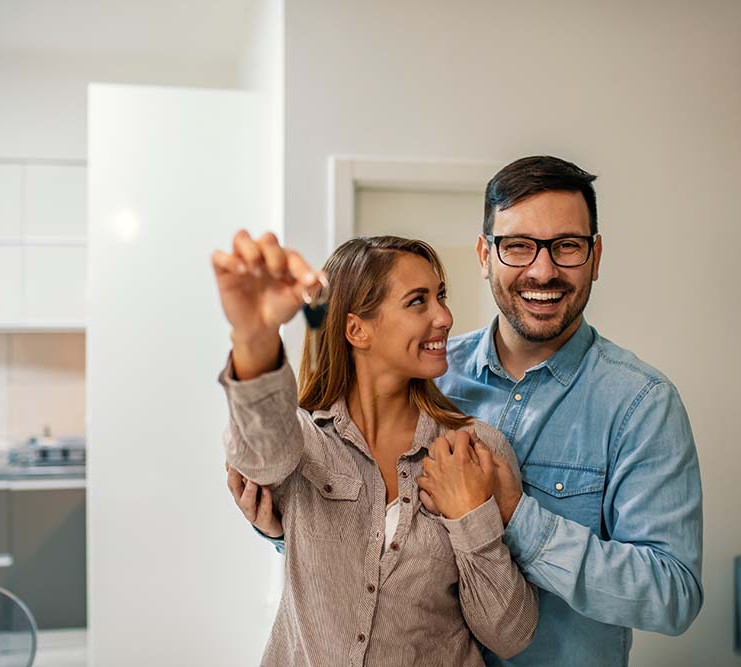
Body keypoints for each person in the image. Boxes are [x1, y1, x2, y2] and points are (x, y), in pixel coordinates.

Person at [229, 156, 704, 666]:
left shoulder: (640, 404)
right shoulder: (427, 372)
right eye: (518, 246)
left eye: (567, 246)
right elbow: (378, 550)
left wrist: (511, 513)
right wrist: (288, 528)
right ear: (485, 254)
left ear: (595, 255)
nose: (542, 270)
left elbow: (672, 596)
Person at [214, 232, 539, 666]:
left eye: (440, 297)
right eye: (418, 301)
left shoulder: (474, 450)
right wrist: (254, 337)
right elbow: (258, 452)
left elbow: (509, 634)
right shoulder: (305, 442)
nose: (444, 317)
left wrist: (470, 517)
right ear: (356, 329)